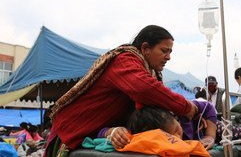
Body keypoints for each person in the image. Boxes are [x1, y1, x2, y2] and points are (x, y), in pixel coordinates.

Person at [45, 25, 198, 155]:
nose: (168, 57)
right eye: (164, 51)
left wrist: (112, 131)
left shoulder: (149, 73)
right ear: (145, 48)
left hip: (95, 133)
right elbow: (143, 89)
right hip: (71, 132)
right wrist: (185, 106)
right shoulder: (124, 60)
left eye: (170, 52)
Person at [100, 100, 217, 150]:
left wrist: (209, 136)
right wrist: (114, 132)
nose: (177, 137)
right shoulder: (138, 132)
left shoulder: (183, 112)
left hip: (210, 126)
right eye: (169, 138)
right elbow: (100, 131)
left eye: (177, 129)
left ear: (175, 117)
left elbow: (209, 106)